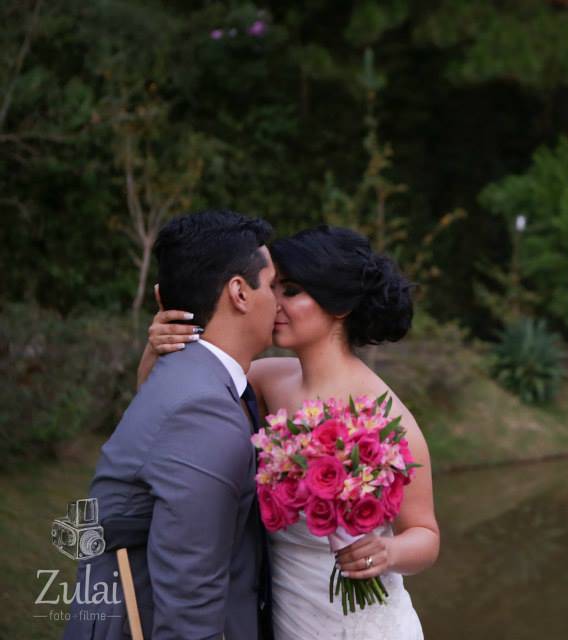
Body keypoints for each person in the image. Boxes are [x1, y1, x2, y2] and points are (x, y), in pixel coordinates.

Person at [138, 224, 439, 640]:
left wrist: (387, 552)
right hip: (281, 616)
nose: (274, 302)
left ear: (339, 305)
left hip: (363, 623)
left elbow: (425, 535)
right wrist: (156, 350)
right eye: (274, 286)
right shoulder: (265, 380)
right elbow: (168, 414)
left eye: (292, 290)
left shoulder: (387, 417)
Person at [63, 210, 279, 639]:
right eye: (273, 286)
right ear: (239, 292)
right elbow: (189, 602)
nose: (280, 301)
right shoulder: (201, 410)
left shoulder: (191, 375)